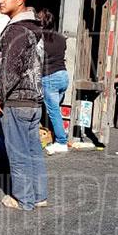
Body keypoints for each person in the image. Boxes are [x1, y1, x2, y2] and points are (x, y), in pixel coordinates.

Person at [0, 0, 48, 211]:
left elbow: (9, 69)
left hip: (16, 100)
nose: (0, 0)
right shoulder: (36, 28)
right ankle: (39, 196)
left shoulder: (15, 30)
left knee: (18, 153)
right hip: (34, 101)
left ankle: (23, 199)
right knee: (34, 150)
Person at [39, 9, 70, 155]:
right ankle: (56, 135)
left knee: (53, 112)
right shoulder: (61, 38)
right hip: (63, 76)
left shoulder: (40, 40)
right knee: (55, 109)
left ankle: (61, 142)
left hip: (49, 77)